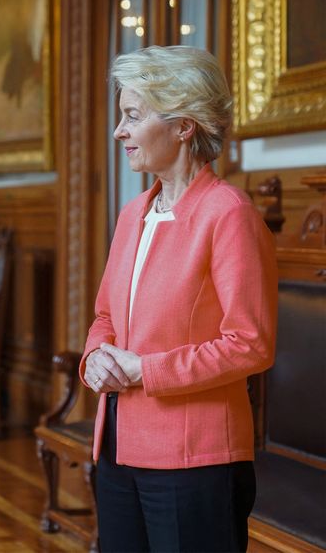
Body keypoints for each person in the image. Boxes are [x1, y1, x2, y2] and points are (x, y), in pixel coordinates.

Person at [80, 46, 278, 552]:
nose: (119, 131)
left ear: (184, 125)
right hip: (118, 444)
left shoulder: (228, 213)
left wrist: (147, 369)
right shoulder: (132, 214)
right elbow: (106, 315)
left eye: (132, 116)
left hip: (196, 460)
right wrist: (96, 357)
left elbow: (250, 344)